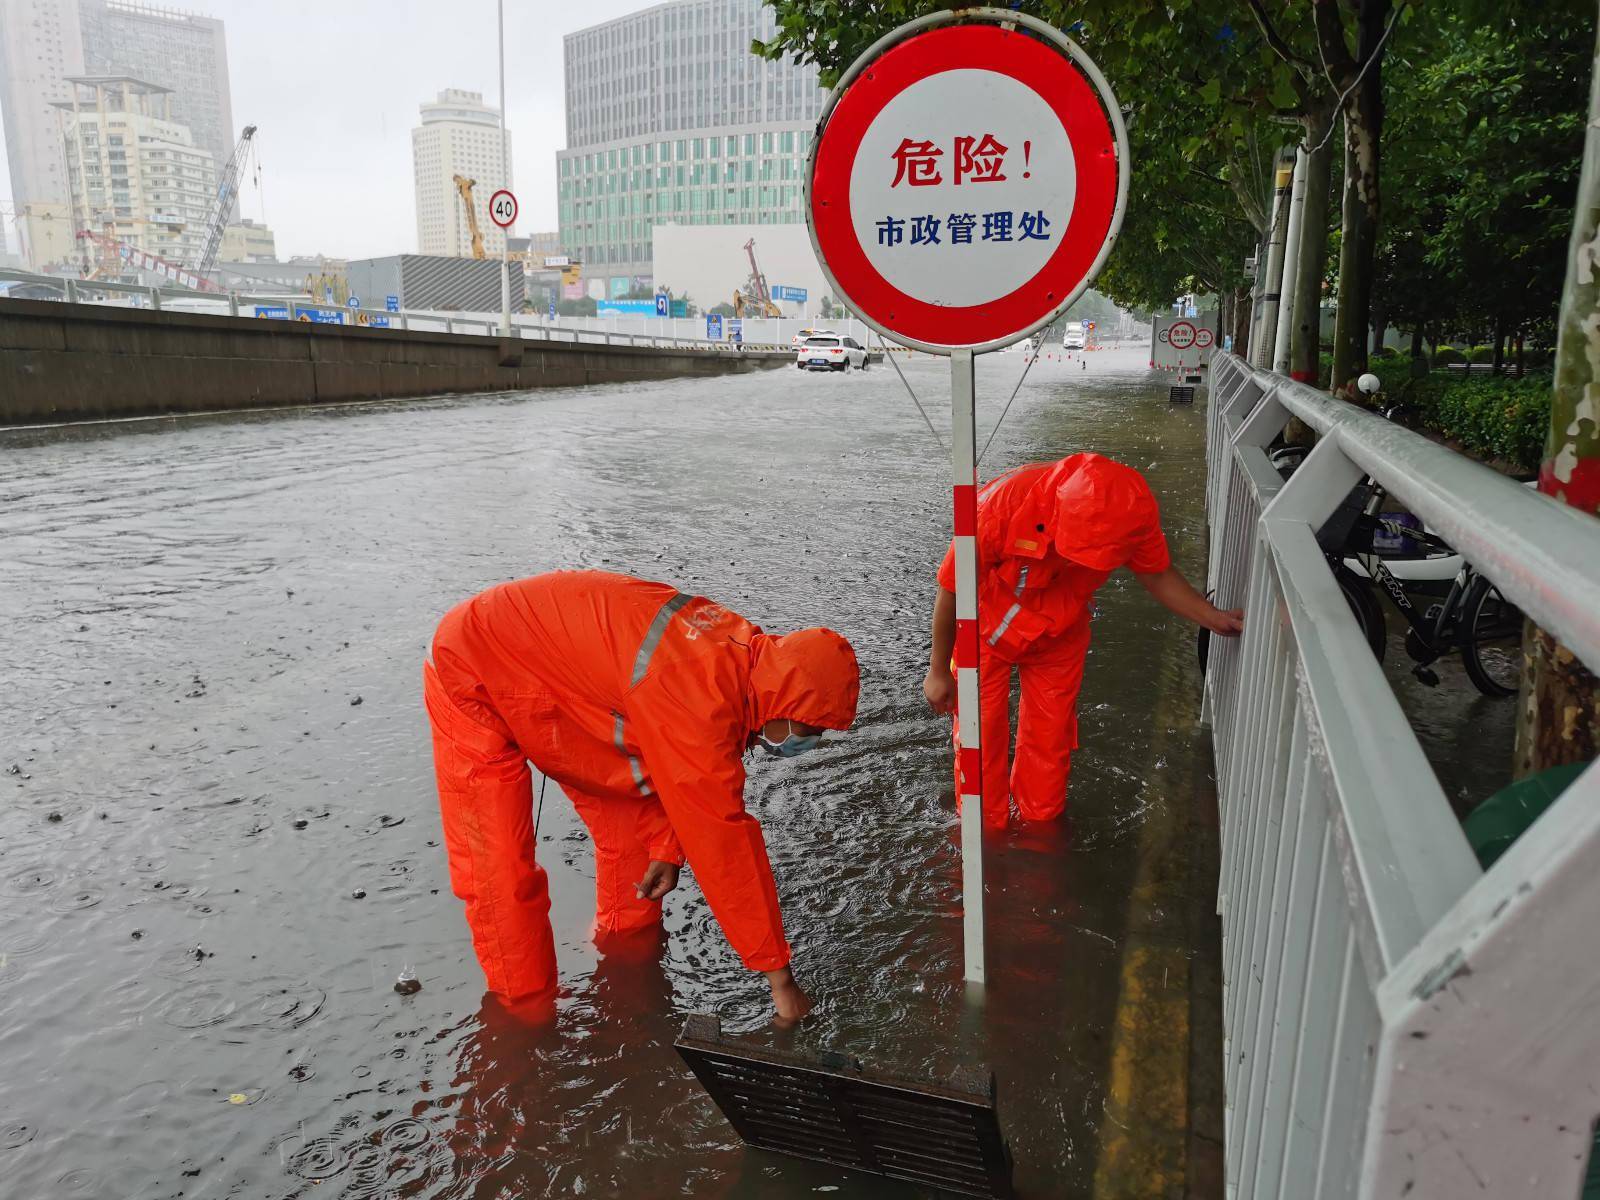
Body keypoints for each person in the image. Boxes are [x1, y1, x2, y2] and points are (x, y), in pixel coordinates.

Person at [423, 570, 859, 1022]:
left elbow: (683, 765)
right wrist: (780, 980)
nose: (810, 742)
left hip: (560, 679)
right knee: (500, 877)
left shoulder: (738, 656)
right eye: (812, 730)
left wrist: (668, 848)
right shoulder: (697, 694)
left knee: (635, 848)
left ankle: (622, 964)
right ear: (787, 705)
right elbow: (724, 845)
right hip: (471, 666)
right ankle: (524, 1018)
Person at [922, 453, 1243, 829]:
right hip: (984, 633)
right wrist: (938, 670)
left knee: (1050, 742)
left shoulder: (1131, 515)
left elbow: (1157, 575)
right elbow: (951, 589)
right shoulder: (1004, 504)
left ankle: (1038, 833)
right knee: (981, 735)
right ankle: (983, 829)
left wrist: (1213, 618)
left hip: (1059, 634)